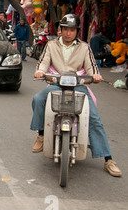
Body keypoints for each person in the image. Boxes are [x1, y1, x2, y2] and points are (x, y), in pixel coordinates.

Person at [31, 14, 122, 177]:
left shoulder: (84, 47)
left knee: (94, 118)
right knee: (38, 99)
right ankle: (41, 135)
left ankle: (108, 159)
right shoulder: (51, 45)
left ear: (77, 32)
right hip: (56, 84)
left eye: (72, 30)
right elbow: (43, 62)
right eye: (65, 29)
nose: (68, 33)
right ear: (61, 30)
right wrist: (40, 71)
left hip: (78, 86)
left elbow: (91, 66)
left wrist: (95, 75)